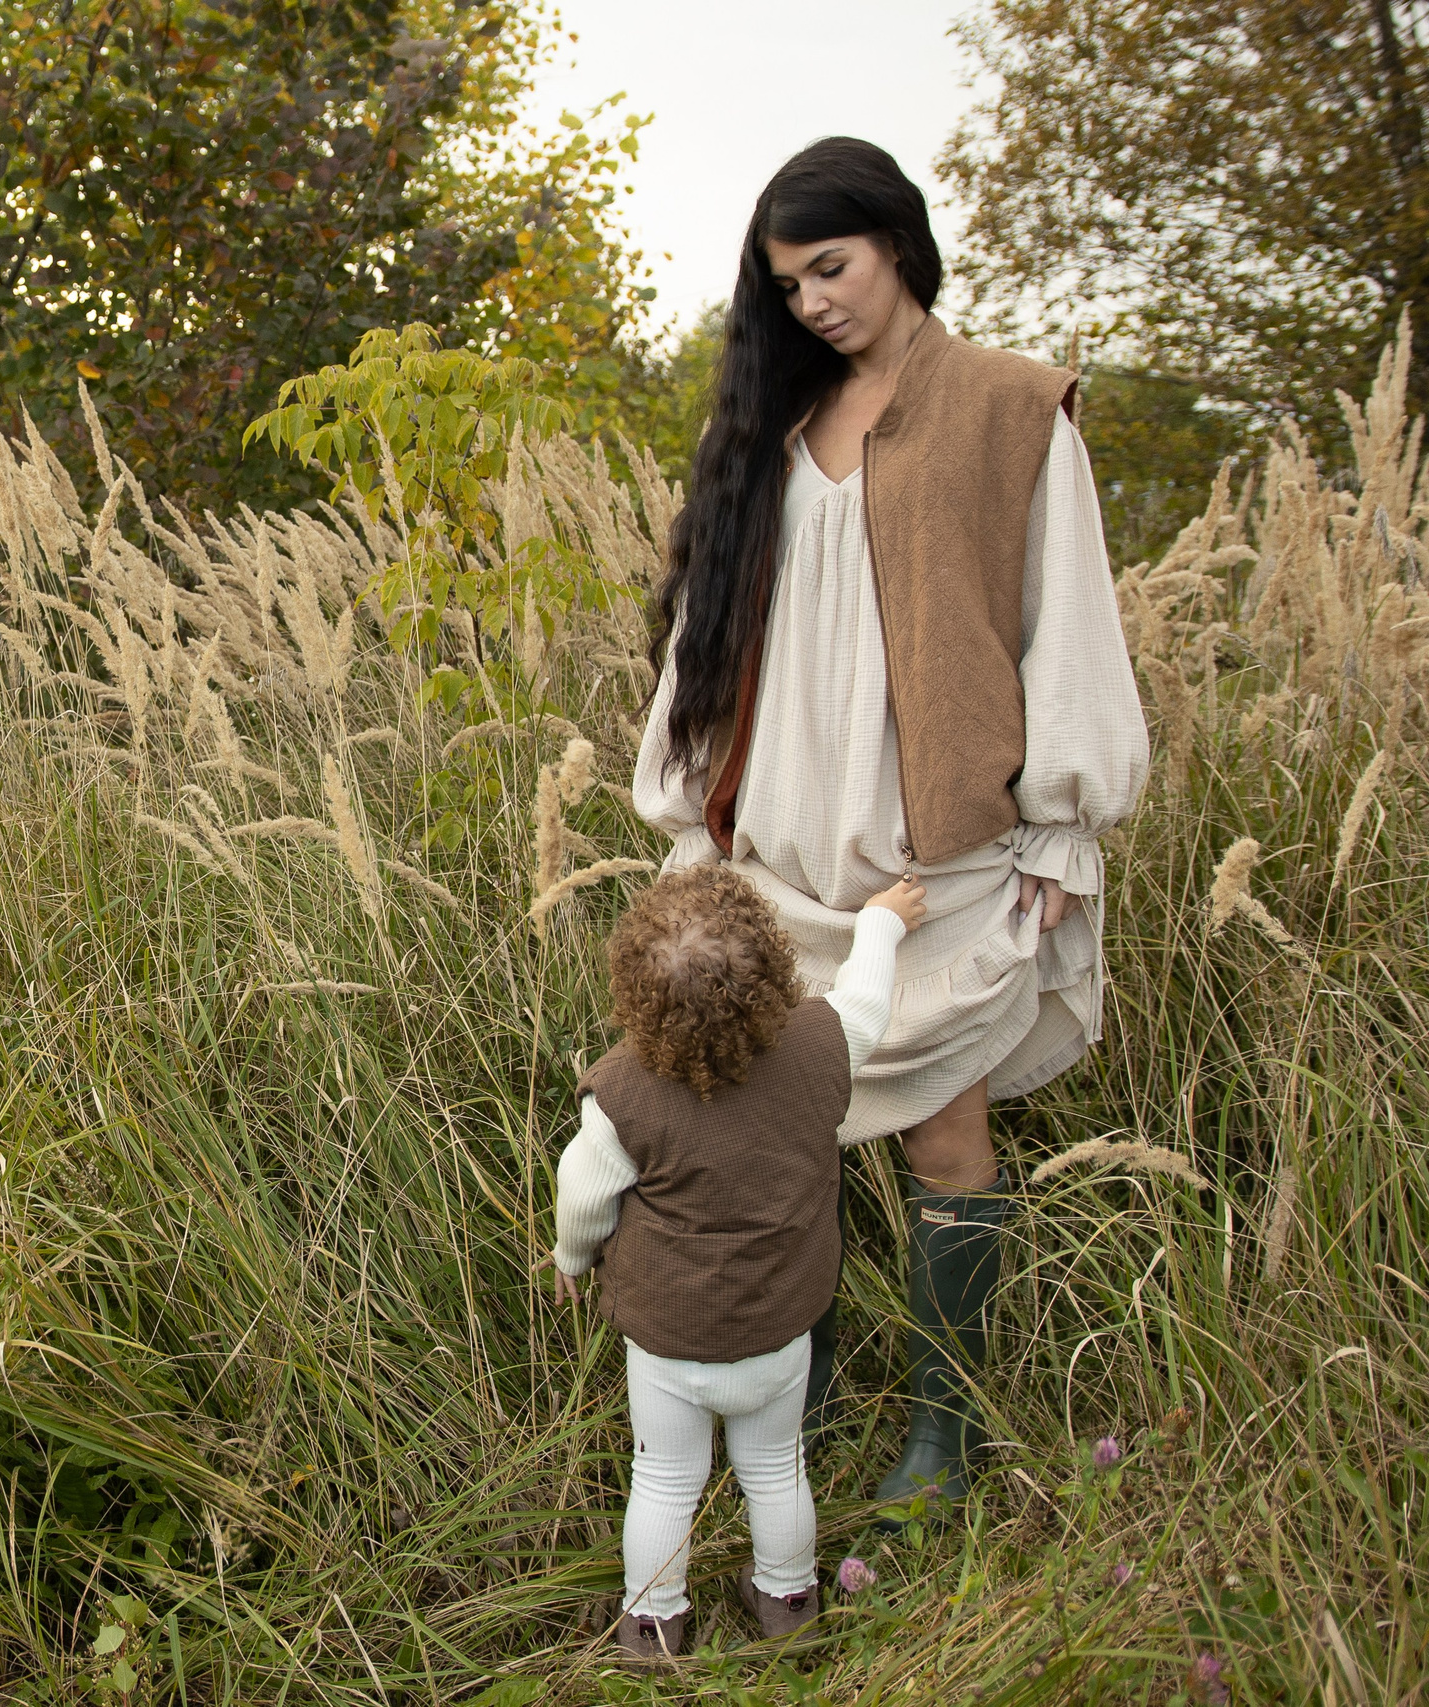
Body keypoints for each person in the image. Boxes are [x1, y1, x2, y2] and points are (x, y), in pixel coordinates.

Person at [630, 137, 1149, 1521]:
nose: (810, 303)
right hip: (774, 847)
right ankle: (790, 1404)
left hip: (935, 852)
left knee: (941, 1134)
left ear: (899, 242)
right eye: (786, 283)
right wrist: (692, 817)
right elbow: (706, 633)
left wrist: (1059, 822)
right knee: (768, 1139)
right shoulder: (763, 424)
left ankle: (945, 1430)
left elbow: (1066, 619)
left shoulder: (1012, 408)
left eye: (831, 268)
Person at [554, 862, 924, 1666]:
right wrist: (884, 923)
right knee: (776, 1467)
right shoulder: (824, 1046)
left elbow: (581, 1191)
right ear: (775, 975)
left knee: (662, 1480)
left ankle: (653, 1624)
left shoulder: (621, 1095)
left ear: (634, 997)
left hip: (668, 1344)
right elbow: (865, 996)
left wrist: (571, 1256)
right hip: (778, 1330)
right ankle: (789, 1598)